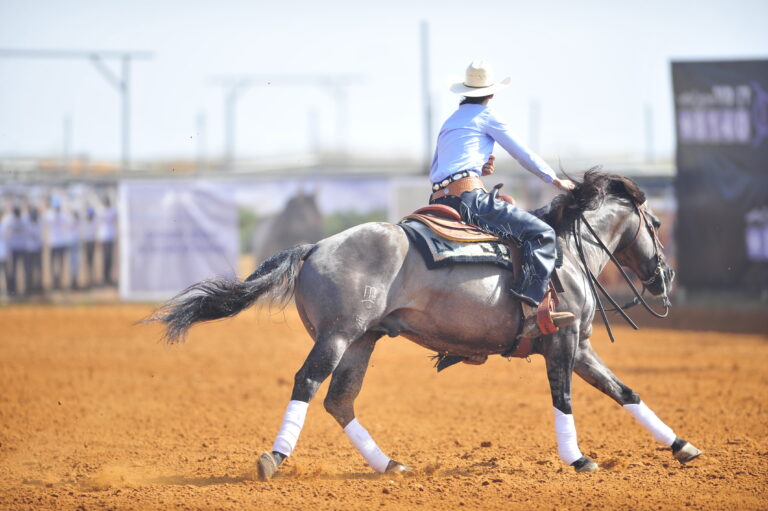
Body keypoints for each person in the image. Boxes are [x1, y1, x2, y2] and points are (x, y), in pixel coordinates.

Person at [429, 60, 575, 337]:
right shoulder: (487, 116)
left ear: (464, 91)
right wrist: (554, 179)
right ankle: (532, 311)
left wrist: (475, 169)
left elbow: (437, 167)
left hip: (439, 200)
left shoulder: (450, 121)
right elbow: (522, 152)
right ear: (492, 93)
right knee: (542, 234)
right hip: (467, 199)